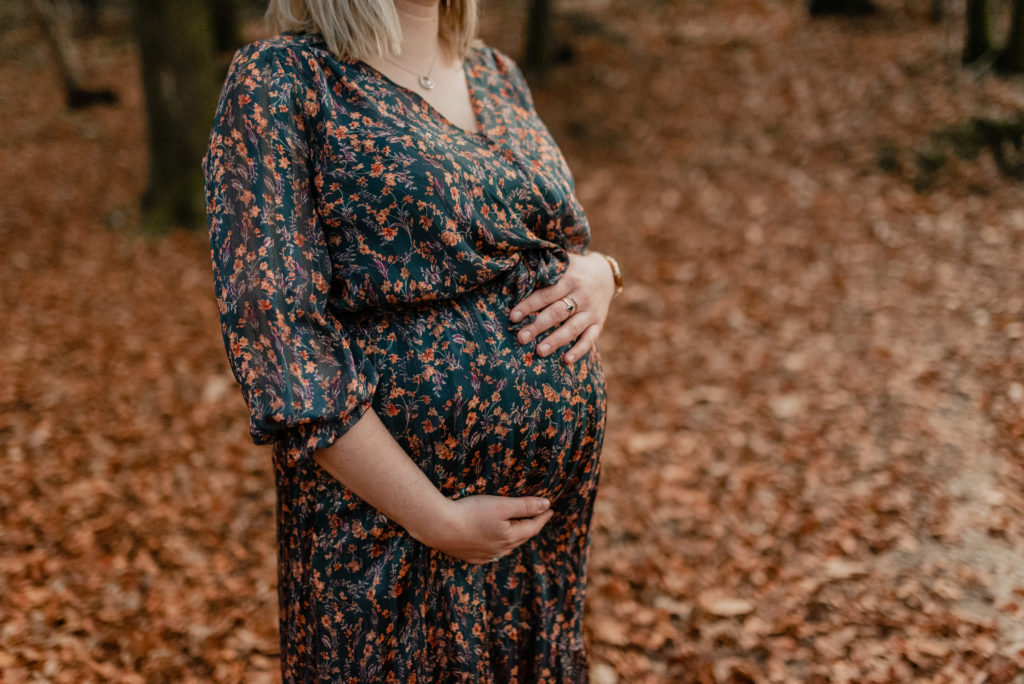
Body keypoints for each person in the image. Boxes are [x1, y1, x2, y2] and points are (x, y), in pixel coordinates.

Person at [202, 0, 624, 681]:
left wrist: (603, 273)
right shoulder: (282, 81)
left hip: (536, 550)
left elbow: (548, 245)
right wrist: (439, 521)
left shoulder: (497, 74)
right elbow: (281, 345)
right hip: (388, 540)